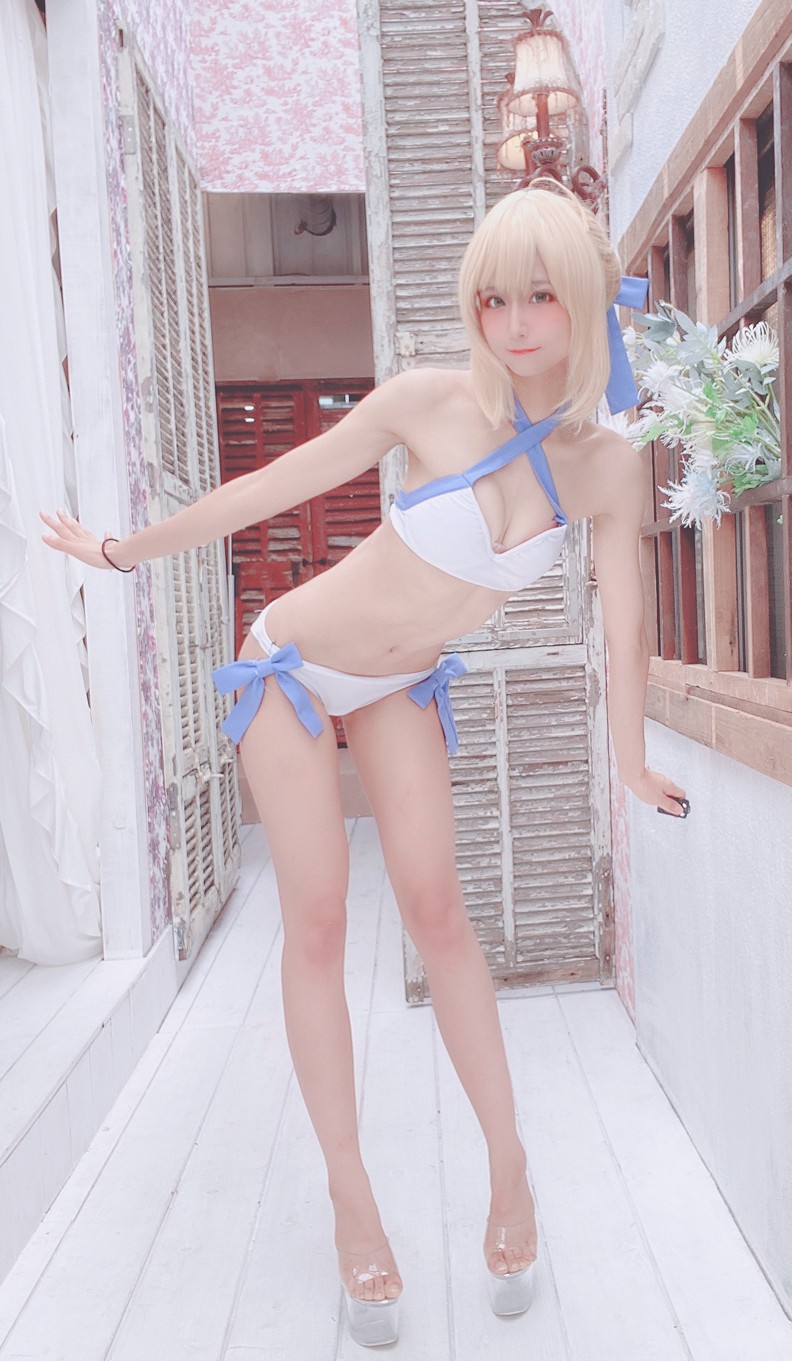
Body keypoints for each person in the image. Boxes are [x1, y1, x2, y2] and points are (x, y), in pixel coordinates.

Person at [40, 179, 689, 1348]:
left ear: (586, 300)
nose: (514, 322)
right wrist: (122, 550)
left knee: (439, 912)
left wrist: (630, 757)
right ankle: (352, 1201)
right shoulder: (430, 403)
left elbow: (625, 618)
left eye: (540, 296)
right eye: (493, 299)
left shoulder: (606, 466)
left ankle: (509, 1172)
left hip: (397, 685)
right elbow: (266, 488)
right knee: (321, 924)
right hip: (288, 668)